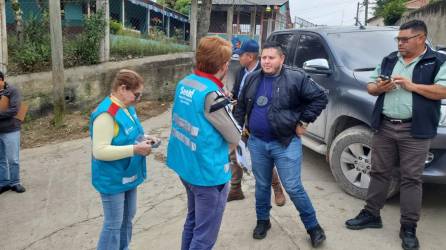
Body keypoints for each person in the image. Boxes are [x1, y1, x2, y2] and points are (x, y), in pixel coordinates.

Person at [345, 20, 446, 250]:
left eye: (404, 39)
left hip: (416, 130)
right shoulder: (390, 59)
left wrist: (413, 86)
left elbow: (443, 90)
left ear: (421, 38)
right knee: (379, 172)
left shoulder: (438, 61)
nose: (399, 43)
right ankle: (372, 214)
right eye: (398, 39)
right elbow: (371, 87)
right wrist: (381, 88)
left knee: (411, 179)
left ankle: (408, 227)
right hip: (386, 126)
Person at [234, 41, 328, 247]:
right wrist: (236, 132)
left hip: (285, 142)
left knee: (293, 187)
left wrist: (304, 121)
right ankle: (263, 221)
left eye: (271, 57)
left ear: (281, 59)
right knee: (262, 185)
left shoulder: (296, 77)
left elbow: (320, 97)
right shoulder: (252, 78)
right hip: (257, 142)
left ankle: (313, 227)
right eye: (263, 57)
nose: (266, 62)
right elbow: (241, 106)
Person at [166, 36, 241, 250]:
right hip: (208, 174)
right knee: (205, 236)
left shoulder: (186, 83)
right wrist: (227, 106)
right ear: (223, 65)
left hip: (186, 166)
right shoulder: (212, 95)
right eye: (227, 61)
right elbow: (235, 135)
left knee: (193, 221)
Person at [90, 69, 156, 250]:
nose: (138, 99)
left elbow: (130, 135)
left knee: (127, 218)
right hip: (112, 178)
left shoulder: (127, 108)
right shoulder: (106, 115)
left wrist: (146, 138)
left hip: (127, 174)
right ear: (122, 89)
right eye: (136, 94)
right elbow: (100, 151)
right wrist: (135, 149)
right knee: (113, 224)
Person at [228, 39, 286, 206]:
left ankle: (276, 187)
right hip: (239, 115)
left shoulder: (265, 73)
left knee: (259, 157)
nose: (238, 58)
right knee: (235, 152)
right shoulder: (241, 71)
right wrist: (229, 97)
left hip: (256, 120)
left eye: (240, 55)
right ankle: (235, 189)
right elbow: (237, 92)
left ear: (250, 56)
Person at [0, 70, 26, 194]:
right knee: (1, 159)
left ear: (1, 79)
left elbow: (14, 110)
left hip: (11, 130)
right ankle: (4, 183)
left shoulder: (12, 91)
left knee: (13, 159)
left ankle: (15, 182)